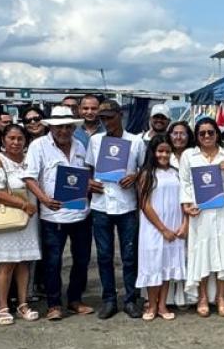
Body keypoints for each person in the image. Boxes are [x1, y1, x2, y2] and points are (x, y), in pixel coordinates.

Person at [25, 105, 93, 320]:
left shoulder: (80, 146)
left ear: (73, 127)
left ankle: (75, 299)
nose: (63, 131)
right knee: (53, 261)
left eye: (67, 126)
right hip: (52, 214)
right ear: (51, 127)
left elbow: (85, 174)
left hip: (80, 212)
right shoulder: (39, 146)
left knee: (81, 259)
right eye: (59, 127)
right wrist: (44, 199)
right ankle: (54, 304)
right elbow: (29, 177)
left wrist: (89, 184)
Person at [87, 100, 144, 319]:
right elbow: (88, 169)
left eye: (110, 117)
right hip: (101, 205)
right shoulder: (95, 141)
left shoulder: (135, 141)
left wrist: (135, 176)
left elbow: (144, 168)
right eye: (103, 118)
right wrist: (88, 182)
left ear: (120, 115)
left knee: (129, 255)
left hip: (126, 204)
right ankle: (109, 299)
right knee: (103, 255)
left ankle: (131, 299)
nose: (107, 122)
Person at [180, 116, 224, 316]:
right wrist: (187, 205)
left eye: (211, 132)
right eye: (202, 133)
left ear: (217, 134)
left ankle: (222, 297)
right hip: (200, 209)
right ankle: (203, 297)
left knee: (223, 249)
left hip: (222, 209)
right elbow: (185, 183)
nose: (207, 136)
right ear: (196, 136)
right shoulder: (189, 155)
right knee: (202, 251)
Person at [0, 125, 42, 324]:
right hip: (8, 220)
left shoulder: (30, 159)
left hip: (29, 220)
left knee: (24, 262)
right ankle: (2, 306)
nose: (16, 142)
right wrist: (23, 204)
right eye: (11, 138)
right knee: (6, 264)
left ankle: (23, 303)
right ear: (3, 140)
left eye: (19, 139)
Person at [136, 139, 188, 320]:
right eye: (160, 151)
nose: (164, 155)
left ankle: (162, 305)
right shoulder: (146, 174)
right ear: (152, 152)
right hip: (153, 227)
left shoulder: (176, 173)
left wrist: (184, 224)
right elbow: (144, 204)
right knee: (153, 265)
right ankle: (151, 305)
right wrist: (162, 228)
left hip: (174, 225)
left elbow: (184, 199)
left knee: (167, 265)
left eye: (167, 151)